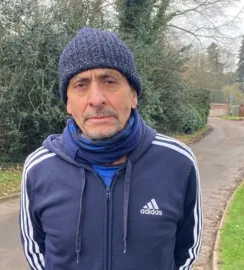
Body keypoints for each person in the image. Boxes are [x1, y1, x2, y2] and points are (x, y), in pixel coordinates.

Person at [19, 27, 203, 270]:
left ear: (133, 95)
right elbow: (36, 253)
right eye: (81, 85)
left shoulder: (178, 162)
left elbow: (186, 251)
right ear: (68, 103)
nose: (96, 99)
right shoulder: (39, 168)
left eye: (109, 81)